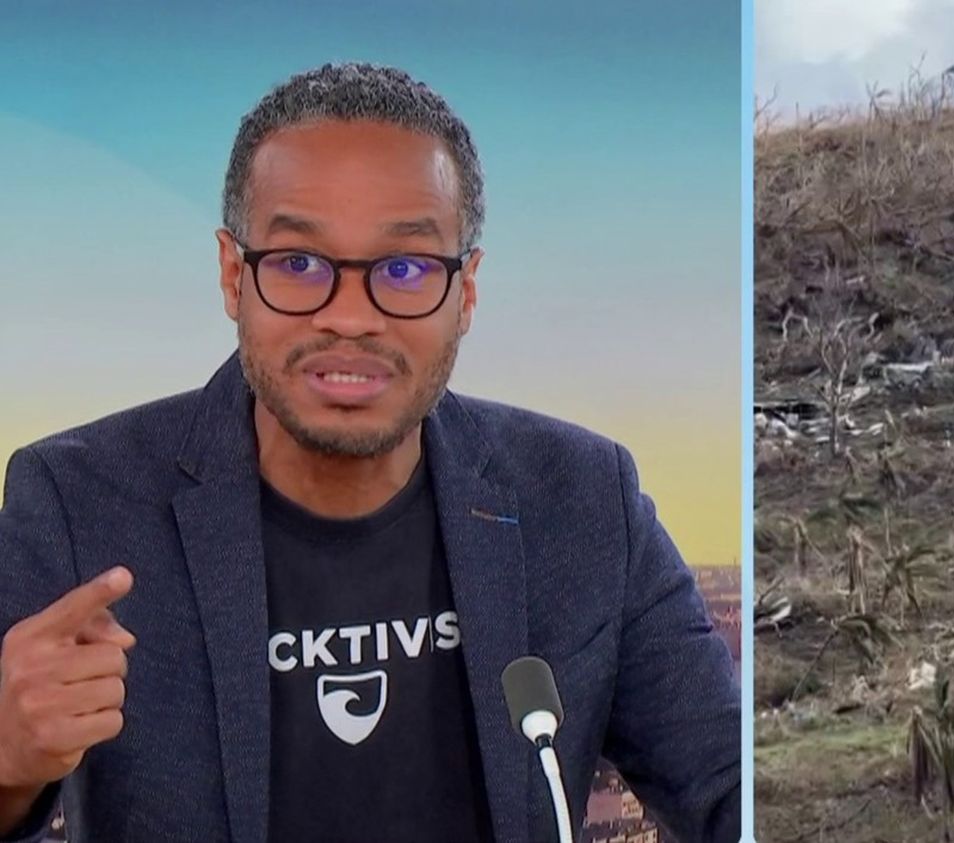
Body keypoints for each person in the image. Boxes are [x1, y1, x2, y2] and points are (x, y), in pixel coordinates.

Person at [0, 63, 740, 843]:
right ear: (231, 276)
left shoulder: (585, 500)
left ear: (467, 292)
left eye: (406, 268)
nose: (350, 316)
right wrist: (9, 765)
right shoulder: (77, 503)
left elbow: (728, 781)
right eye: (297, 263)